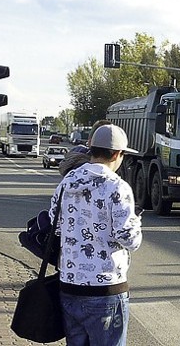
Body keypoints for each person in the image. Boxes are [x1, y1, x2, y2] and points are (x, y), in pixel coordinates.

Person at [50, 124, 142, 346]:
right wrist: (136, 224)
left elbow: (56, 224)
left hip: (69, 285)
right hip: (105, 290)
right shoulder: (117, 187)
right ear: (118, 154)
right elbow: (129, 239)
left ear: (92, 149)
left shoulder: (67, 182)